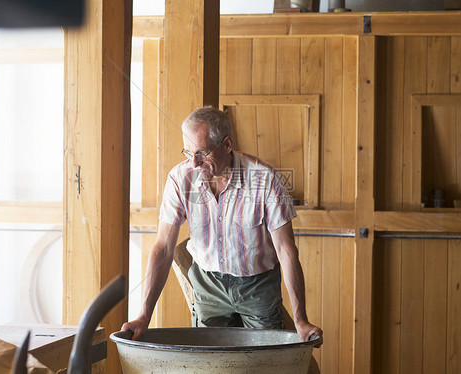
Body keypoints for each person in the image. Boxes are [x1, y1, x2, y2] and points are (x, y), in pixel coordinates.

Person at [122, 106, 323, 345]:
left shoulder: (265, 179)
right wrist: (144, 316)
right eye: (188, 152)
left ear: (227, 145)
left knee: (265, 361)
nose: (194, 163)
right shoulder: (180, 178)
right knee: (211, 362)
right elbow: (163, 248)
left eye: (202, 153)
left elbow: (286, 251)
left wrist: (300, 319)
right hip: (208, 284)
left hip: (257, 284)